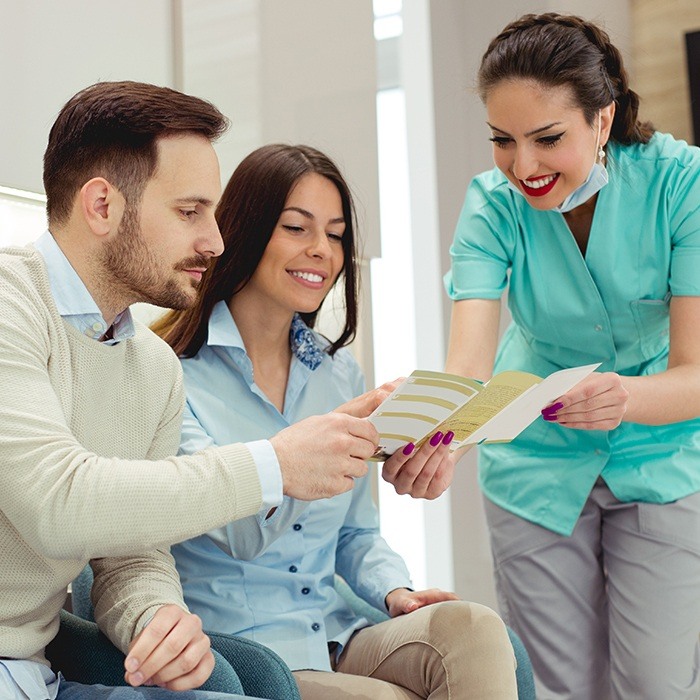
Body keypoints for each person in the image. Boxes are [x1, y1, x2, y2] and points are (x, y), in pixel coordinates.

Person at [0, 80, 398, 700]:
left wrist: (154, 619)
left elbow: (130, 556)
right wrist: (275, 464)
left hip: (39, 675)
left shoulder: (151, 366)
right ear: (102, 206)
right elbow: (59, 502)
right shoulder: (8, 305)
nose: (214, 241)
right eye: (190, 212)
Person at [153, 143, 519, 699]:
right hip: (242, 654)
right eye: (297, 228)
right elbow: (239, 531)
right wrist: (310, 450)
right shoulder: (170, 376)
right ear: (245, 231)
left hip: (333, 635)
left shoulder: (337, 373)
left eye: (336, 233)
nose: (321, 250)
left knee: (473, 629)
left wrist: (395, 591)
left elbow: (355, 531)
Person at [443, 12, 700, 700]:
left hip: (662, 454)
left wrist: (624, 400)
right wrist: (435, 435)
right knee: (560, 689)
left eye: (548, 138)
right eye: (503, 140)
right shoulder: (491, 206)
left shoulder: (682, 185)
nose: (523, 167)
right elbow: (468, 365)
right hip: (533, 463)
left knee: (657, 685)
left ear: (603, 119)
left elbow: (696, 374)